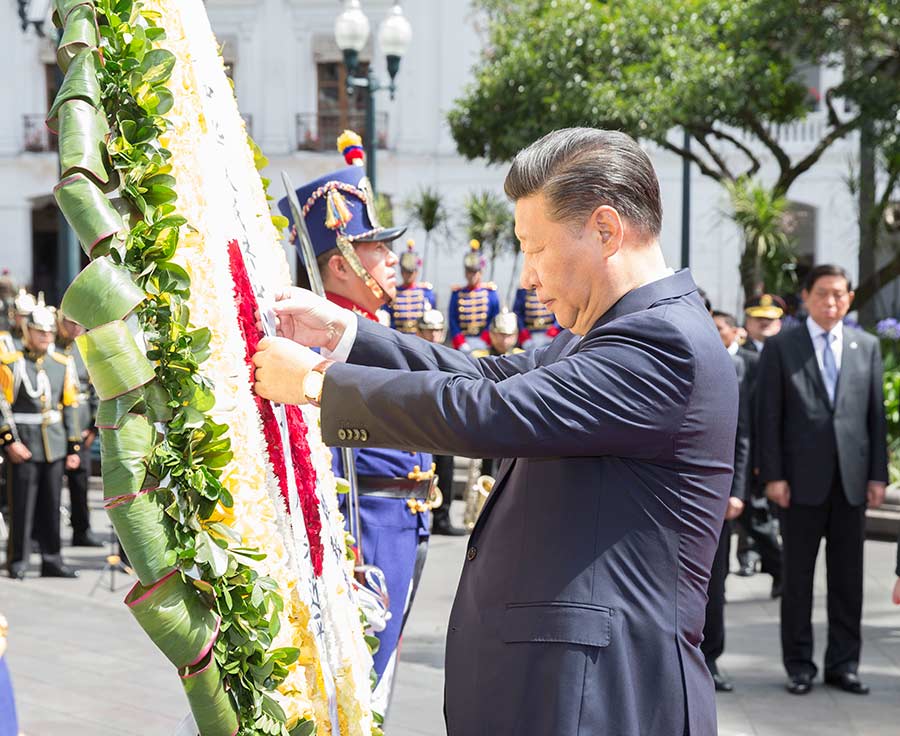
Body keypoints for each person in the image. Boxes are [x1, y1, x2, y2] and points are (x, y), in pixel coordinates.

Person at [255, 127, 738, 735]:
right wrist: (344, 335)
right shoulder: (603, 333)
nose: (529, 276)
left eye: (534, 248)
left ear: (606, 230)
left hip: (600, 702)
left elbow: (493, 410)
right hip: (563, 693)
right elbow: (481, 375)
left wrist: (318, 383)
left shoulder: (663, 344)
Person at [277, 131, 434, 713]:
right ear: (340, 264)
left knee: (377, 685)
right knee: (352, 685)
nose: (392, 259)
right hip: (361, 525)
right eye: (376, 248)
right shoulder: (325, 333)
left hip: (404, 520)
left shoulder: (369, 328)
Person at [758, 264, 887, 696]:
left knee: (848, 580)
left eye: (839, 295)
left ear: (849, 299)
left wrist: (877, 476)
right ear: (806, 298)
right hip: (798, 483)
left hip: (851, 482)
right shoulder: (782, 347)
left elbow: (875, 417)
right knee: (798, 579)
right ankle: (799, 665)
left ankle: (844, 664)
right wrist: (772, 475)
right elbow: (768, 416)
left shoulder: (865, 346)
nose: (831, 302)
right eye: (823, 294)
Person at [1, 305, 81, 579]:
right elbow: (2, 405)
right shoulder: (12, 362)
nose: (45, 336)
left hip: (55, 445)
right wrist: (9, 442)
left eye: (48, 331)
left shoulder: (61, 363)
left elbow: (69, 406)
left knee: (52, 505)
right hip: (24, 443)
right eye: (39, 331)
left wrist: (74, 447)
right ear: (28, 332)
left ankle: (52, 558)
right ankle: (18, 560)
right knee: (21, 506)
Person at [713, 310, 783, 596]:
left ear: (734, 331)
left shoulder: (752, 363)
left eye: (719, 328)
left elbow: (755, 419)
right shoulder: (706, 358)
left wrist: (760, 463)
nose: (714, 333)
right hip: (717, 466)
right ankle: (719, 589)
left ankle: (781, 570)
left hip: (747, 460)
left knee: (757, 523)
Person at [702, 310, 750, 692]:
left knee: (714, 584)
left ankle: (711, 658)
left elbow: (743, 437)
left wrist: (736, 492)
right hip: (670, 498)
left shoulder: (732, 369)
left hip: (715, 496)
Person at [735, 293, 786, 578]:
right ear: (748, 320)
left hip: (777, 446)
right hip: (747, 443)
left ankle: (774, 564)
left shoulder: (787, 352)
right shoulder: (741, 357)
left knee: (766, 511)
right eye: (759, 319)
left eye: (770, 320)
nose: (764, 324)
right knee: (750, 508)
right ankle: (752, 556)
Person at [416, 310, 467, 537]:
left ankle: (442, 518)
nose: (433, 335)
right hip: (421, 421)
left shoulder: (450, 355)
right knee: (422, 471)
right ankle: (420, 516)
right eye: (429, 330)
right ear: (419, 331)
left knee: (446, 470)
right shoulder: (413, 355)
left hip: (444, 419)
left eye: (437, 330)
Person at [56, 314, 102, 548]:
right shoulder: (54, 345)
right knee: (51, 483)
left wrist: (93, 426)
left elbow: (96, 388)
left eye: (77, 322)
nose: (74, 327)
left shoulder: (89, 348)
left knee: (80, 483)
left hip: (82, 421)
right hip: (57, 422)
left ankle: (82, 529)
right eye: (69, 322)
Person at [447, 240, 499, 352]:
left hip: (483, 342)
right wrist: (460, 342)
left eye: (475, 272)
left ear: (481, 273)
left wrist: (485, 339)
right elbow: (452, 319)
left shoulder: (490, 293)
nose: (472, 276)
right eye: (469, 272)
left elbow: (494, 317)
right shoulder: (457, 294)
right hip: (463, 342)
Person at [385, 240, 436, 334]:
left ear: (416, 272)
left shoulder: (426, 292)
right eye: (405, 271)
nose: (407, 275)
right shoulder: (393, 292)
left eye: (410, 272)